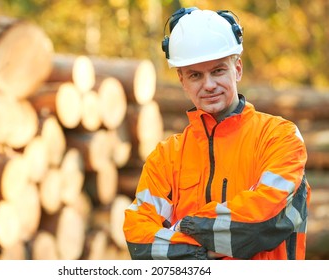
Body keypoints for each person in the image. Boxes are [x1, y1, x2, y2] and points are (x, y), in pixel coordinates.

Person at [123, 6, 311, 260]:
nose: (209, 85)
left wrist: (184, 227)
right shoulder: (165, 158)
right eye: (196, 75)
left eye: (218, 71)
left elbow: (262, 222)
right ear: (182, 80)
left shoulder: (279, 137)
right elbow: (138, 239)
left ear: (238, 69)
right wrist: (205, 250)